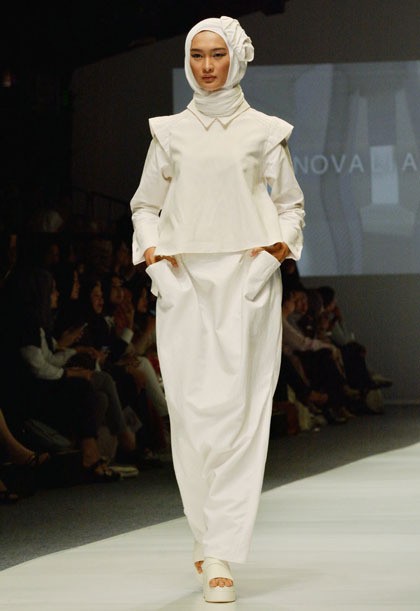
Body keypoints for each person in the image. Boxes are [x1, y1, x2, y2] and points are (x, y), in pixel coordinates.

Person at [130, 16, 305, 603]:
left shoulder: (264, 131)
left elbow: (291, 206)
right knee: (190, 413)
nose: (206, 67)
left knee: (241, 413)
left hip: (245, 282)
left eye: (217, 55)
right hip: (183, 283)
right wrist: (155, 260)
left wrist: (271, 255)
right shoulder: (169, 132)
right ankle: (206, 536)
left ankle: (221, 549)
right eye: (197, 55)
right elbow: (145, 206)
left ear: (237, 58)